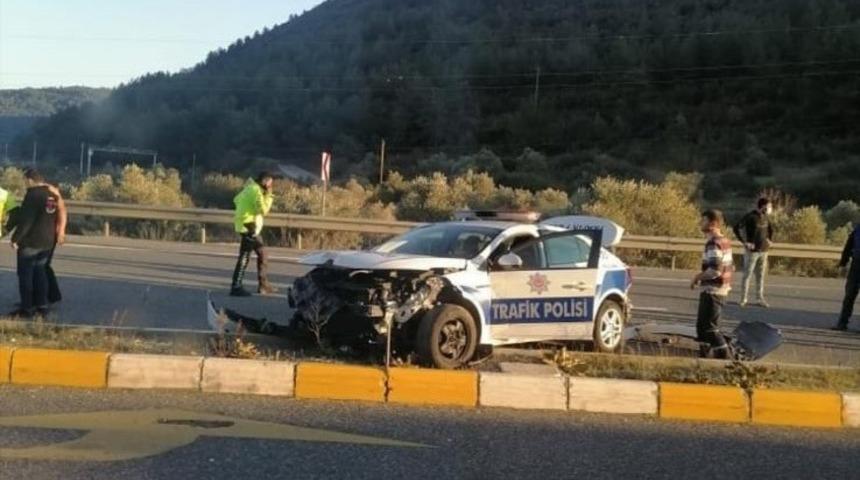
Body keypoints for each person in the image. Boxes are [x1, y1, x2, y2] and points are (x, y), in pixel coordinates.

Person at [9, 169, 59, 317]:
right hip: (47, 241)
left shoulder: (32, 195)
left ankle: (27, 308)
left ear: (30, 180)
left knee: (25, 275)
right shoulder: (51, 195)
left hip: (31, 242)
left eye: (25, 181)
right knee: (40, 273)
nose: (25, 184)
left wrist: (15, 239)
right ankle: (42, 305)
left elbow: (27, 221)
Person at [691, 209, 734, 359]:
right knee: (702, 327)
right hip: (719, 289)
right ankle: (705, 358)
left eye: (703, 220)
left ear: (713, 223)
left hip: (713, 290)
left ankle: (726, 359)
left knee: (710, 328)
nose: (700, 223)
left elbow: (715, 270)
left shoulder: (713, 243)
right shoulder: (725, 241)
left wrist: (697, 277)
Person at [230, 171, 276, 297]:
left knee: (263, 254)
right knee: (245, 256)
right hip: (249, 226)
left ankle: (263, 285)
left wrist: (244, 211)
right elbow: (263, 210)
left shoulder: (250, 187)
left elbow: (236, 200)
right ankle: (236, 286)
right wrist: (269, 196)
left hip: (248, 225)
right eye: (270, 183)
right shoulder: (256, 191)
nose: (271, 186)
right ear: (265, 181)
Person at [733, 197, 774, 308]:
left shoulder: (766, 217)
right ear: (763, 206)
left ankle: (760, 298)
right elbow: (736, 228)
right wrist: (745, 242)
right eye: (769, 206)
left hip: (764, 251)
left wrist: (770, 240)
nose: (770, 208)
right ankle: (743, 299)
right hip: (752, 252)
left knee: (760, 275)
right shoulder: (750, 217)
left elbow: (770, 229)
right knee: (747, 275)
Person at [833, 224, 860, 331]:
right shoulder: (858, 229)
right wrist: (843, 262)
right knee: (849, 294)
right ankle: (842, 323)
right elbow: (849, 246)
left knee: (849, 294)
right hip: (856, 264)